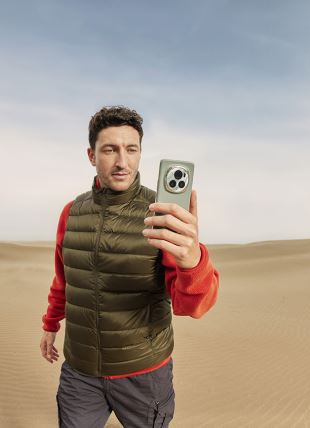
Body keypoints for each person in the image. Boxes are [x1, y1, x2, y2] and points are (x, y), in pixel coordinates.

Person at [40, 105, 219, 427]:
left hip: (143, 375)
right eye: (110, 150)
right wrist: (51, 324)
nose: (122, 162)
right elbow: (64, 279)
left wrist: (193, 262)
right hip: (80, 372)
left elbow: (193, 307)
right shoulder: (71, 212)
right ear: (91, 155)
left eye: (131, 149)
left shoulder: (162, 215)